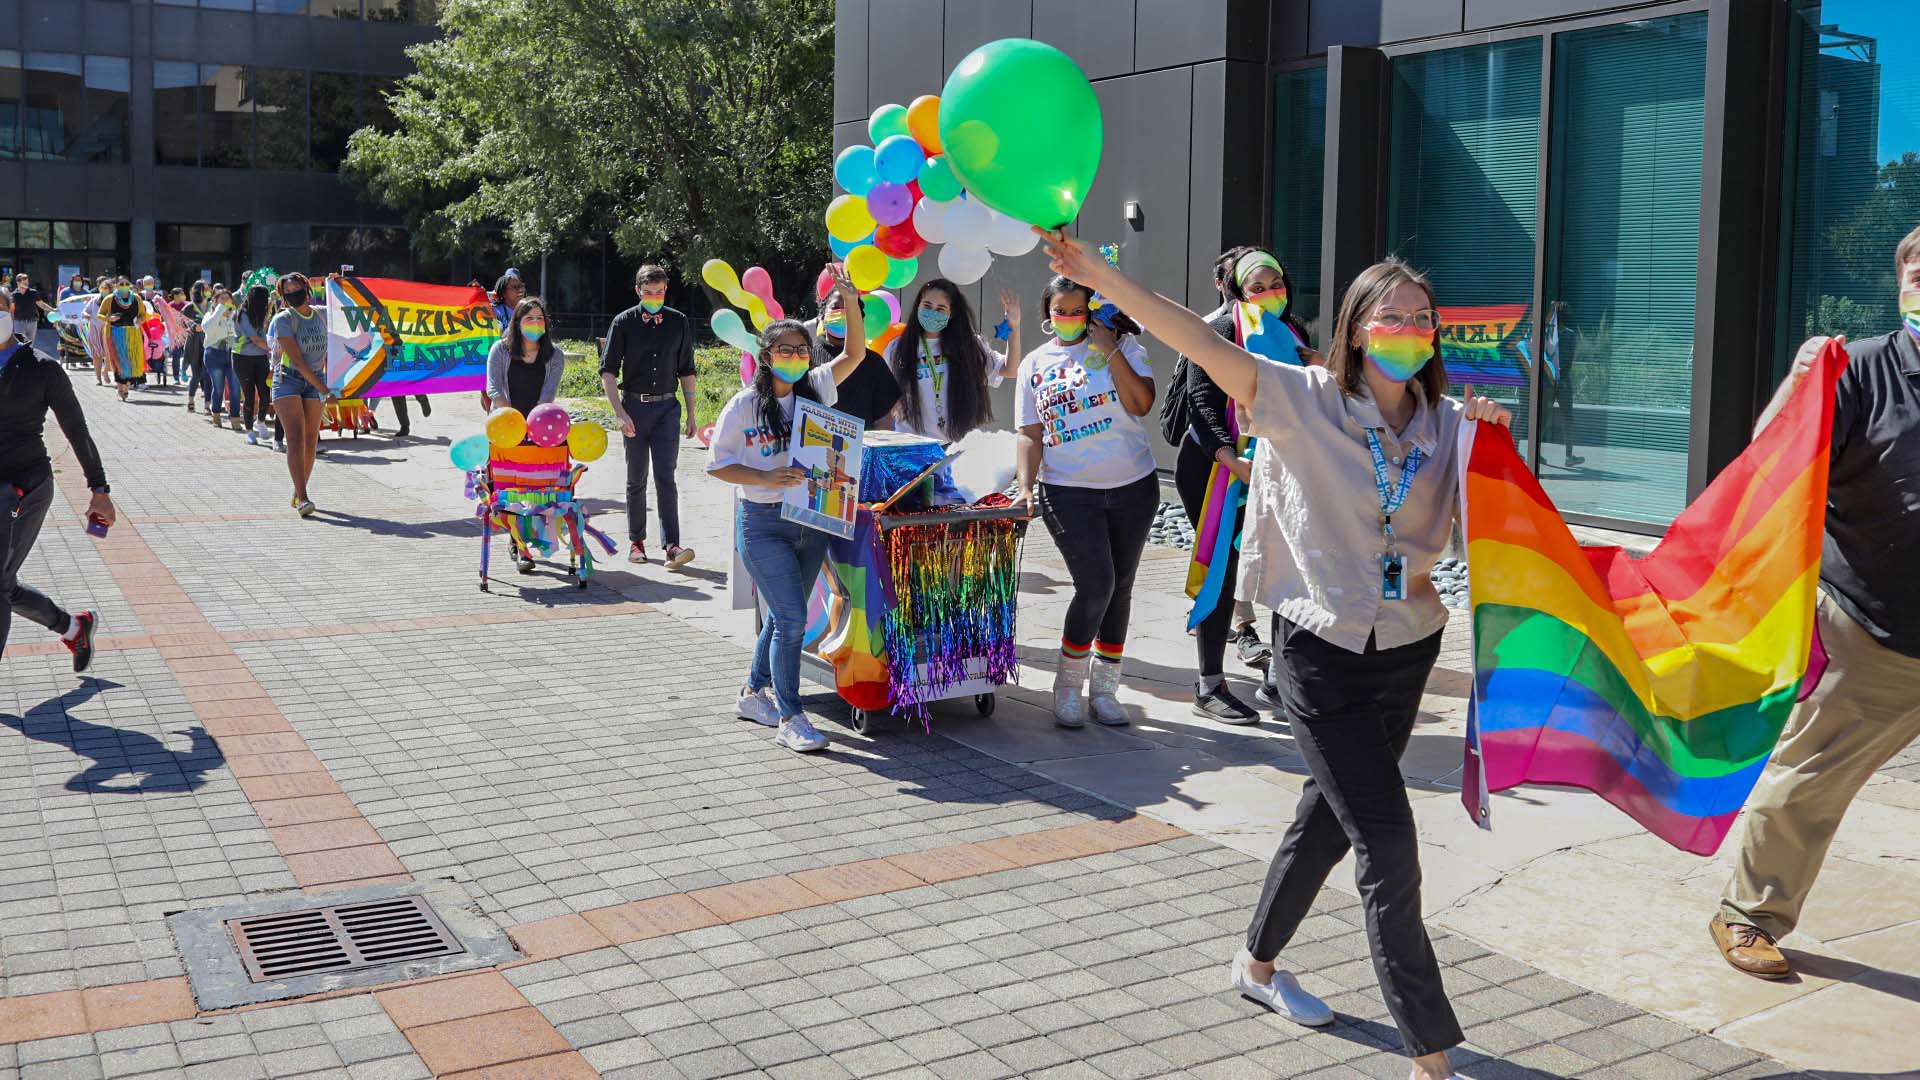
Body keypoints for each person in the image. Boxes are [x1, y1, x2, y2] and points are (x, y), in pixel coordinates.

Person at [1037, 228, 1511, 1080]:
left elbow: (1505, 532)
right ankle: (1431, 1052)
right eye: (1392, 316)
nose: (1409, 330)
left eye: (1423, 318)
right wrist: (1100, 274)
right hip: (1319, 649)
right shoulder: (1302, 397)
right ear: (1357, 329)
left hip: (1407, 648)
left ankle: (1255, 965)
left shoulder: (1452, 427)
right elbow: (1194, 338)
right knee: (1388, 842)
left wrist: (1495, 442)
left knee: (1328, 818)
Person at [1709, 224, 1920, 981]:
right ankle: (1748, 915)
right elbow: (1770, 458)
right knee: (1808, 784)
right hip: (1871, 631)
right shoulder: (1860, 368)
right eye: (1919, 274)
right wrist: (1796, 389)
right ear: (1900, 287)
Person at [707, 265, 866, 753]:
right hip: (763, 525)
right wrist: (764, 478)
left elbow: (856, 353)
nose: (795, 357)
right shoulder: (743, 406)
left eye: (801, 350)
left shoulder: (816, 387)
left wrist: (849, 299)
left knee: (782, 617)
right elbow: (717, 465)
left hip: (811, 520)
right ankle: (791, 717)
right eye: (784, 350)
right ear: (766, 356)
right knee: (793, 618)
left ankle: (752, 693)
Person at [1014, 275, 1157, 729]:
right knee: (1096, 585)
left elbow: (1141, 404)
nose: (1069, 318)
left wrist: (1111, 349)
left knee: (1121, 588)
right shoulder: (1035, 363)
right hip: (1067, 490)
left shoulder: (1125, 347)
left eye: (1079, 311)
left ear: (1092, 312)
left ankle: (1105, 690)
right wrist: (1025, 486)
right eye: (1061, 311)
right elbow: (1029, 433)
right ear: (1048, 313)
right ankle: (1067, 686)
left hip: (1133, 485)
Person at [1179, 247, 1312, 725]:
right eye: (1257, 287)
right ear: (1238, 292)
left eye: (1276, 284)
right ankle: (1209, 685)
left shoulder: (1295, 334)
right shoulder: (1220, 330)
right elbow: (1201, 402)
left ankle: (1278, 678)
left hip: (1273, 470)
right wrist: (1234, 462)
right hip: (1215, 468)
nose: (1270, 294)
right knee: (1225, 570)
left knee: (1281, 571)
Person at [1, 286, 109, 670]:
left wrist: (99, 489)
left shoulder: (42, 367)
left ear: (10, 310)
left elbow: (77, 429)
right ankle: (74, 628)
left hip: (24, 488)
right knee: (4, 584)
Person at [601, 265, 697, 567]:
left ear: (665, 290)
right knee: (637, 478)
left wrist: (692, 413)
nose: (654, 297)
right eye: (648, 293)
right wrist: (619, 414)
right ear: (638, 291)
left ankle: (672, 545)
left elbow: (687, 370)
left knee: (666, 477)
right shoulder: (623, 322)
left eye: (659, 292)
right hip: (635, 408)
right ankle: (637, 542)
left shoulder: (679, 322)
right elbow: (608, 372)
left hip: (668, 409)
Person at [485, 297, 567, 574]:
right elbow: (495, 390)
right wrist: (514, 425)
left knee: (537, 489)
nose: (535, 323)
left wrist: (534, 429)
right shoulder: (500, 350)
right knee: (510, 489)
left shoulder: (555, 355)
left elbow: (548, 396)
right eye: (529, 318)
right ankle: (519, 544)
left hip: (541, 429)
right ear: (517, 322)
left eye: (539, 318)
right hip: (506, 428)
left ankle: (531, 539)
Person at [885, 279, 1020, 444]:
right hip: (912, 447)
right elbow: (887, 402)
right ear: (918, 306)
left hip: (955, 446)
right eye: (927, 306)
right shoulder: (897, 348)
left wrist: (1014, 327)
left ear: (952, 313)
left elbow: (1010, 369)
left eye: (940, 309)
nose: (932, 312)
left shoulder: (969, 345)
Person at [268, 273, 332, 516]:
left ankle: (298, 491)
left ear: (306, 288)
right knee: (295, 439)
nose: (293, 292)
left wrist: (340, 284)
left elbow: (351, 312)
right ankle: (304, 498)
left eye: (296, 287)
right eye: (287, 291)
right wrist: (325, 390)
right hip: (288, 380)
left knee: (310, 440)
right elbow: (298, 361)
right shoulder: (283, 319)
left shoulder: (323, 314)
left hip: (316, 379)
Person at [813, 282, 899, 428]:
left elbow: (884, 419)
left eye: (849, 309)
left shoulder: (873, 362)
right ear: (822, 315)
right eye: (836, 308)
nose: (842, 313)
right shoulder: (806, 357)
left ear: (859, 319)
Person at [233, 285, 275, 443]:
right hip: (242, 358)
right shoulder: (243, 313)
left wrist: (272, 301)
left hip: (260, 358)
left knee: (265, 394)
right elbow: (255, 339)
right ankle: (249, 431)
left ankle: (261, 421)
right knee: (249, 395)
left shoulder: (260, 312)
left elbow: (266, 318)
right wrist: (274, 349)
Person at [101, 278, 150, 402]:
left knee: (130, 362)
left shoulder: (136, 298)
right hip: (114, 334)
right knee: (118, 362)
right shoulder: (109, 299)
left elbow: (143, 315)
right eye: (121, 284)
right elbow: (100, 314)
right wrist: (109, 318)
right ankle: (121, 388)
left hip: (133, 334)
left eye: (126, 284)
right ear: (117, 286)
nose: (124, 286)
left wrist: (140, 319)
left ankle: (126, 387)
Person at [200, 287, 240, 427]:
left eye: (227, 299)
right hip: (214, 355)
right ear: (215, 301)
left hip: (231, 354)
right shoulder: (210, 315)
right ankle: (216, 414)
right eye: (221, 299)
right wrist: (219, 310)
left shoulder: (233, 316)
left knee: (235, 387)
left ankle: (235, 418)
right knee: (218, 388)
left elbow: (235, 335)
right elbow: (206, 328)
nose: (225, 301)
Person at [12, 273, 51, 359]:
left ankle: (28, 360)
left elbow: (41, 304)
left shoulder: (33, 292)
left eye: (27, 282)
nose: (27, 284)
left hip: (32, 322)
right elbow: (11, 309)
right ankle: (20, 360)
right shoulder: (14, 294)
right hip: (19, 322)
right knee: (20, 343)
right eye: (24, 282)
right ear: (18, 282)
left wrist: (52, 309)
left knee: (30, 344)